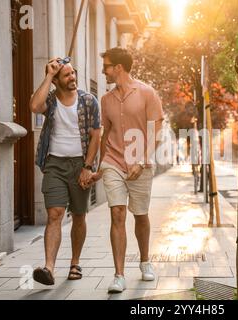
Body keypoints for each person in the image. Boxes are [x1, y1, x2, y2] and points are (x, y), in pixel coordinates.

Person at [90, 48, 164, 293]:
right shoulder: (106, 99)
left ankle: (145, 261)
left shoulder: (146, 93)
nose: (104, 70)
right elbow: (104, 134)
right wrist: (101, 164)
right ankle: (119, 275)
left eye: (107, 66)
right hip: (113, 162)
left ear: (118, 67)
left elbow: (156, 131)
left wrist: (142, 160)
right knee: (117, 214)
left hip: (139, 164)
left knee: (140, 215)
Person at [29, 57, 101, 285]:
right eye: (67, 75)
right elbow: (33, 107)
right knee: (55, 214)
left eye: (73, 73)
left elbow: (96, 136)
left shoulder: (89, 101)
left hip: (80, 164)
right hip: (54, 165)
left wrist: (87, 168)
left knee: (79, 215)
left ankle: (75, 262)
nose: (73, 78)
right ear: (57, 80)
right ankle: (49, 267)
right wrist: (48, 75)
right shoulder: (50, 100)